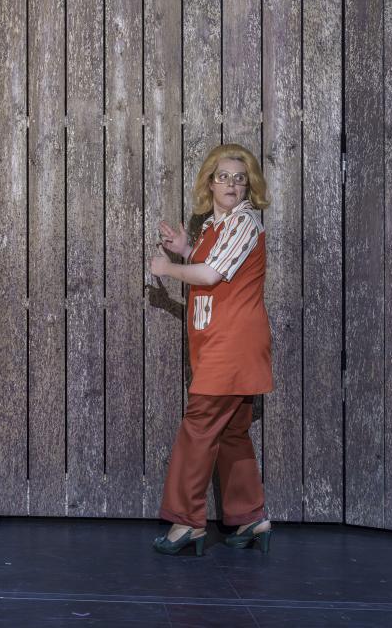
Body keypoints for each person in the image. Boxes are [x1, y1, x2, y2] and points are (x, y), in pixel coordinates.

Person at [146, 143, 274, 556]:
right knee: (232, 433)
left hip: (231, 347)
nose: (232, 184)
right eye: (223, 177)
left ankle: (185, 523)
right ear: (210, 184)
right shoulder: (215, 228)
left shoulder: (243, 223)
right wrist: (186, 249)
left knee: (198, 429)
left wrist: (168, 268)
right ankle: (250, 517)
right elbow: (209, 262)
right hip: (221, 344)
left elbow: (211, 275)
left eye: (240, 178)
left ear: (248, 185)